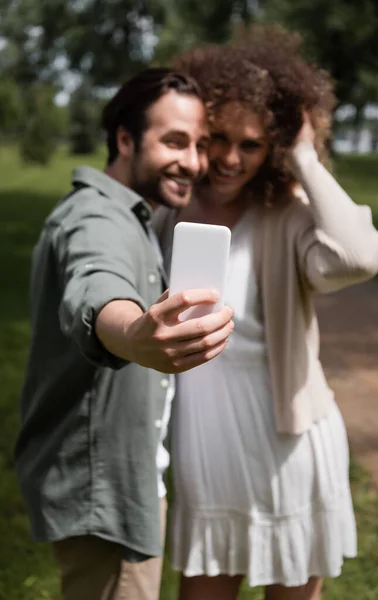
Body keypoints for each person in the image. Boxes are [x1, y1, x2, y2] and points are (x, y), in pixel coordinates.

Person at [154, 29, 378, 600]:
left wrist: (306, 156)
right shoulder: (167, 209)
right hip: (202, 445)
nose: (231, 157)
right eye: (218, 138)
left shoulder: (286, 215)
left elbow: (359, 256)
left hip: (284, 443)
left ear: (274, 148)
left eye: (253, 144)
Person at [14, 67, 235, 600]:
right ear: (125, 140)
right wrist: (133, 333)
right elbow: (96, 282)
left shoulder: (135, 214)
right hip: (103, 496)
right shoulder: (96, 218)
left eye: (200, 145)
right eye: (175, 141)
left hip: (121, 482)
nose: (194, 162)